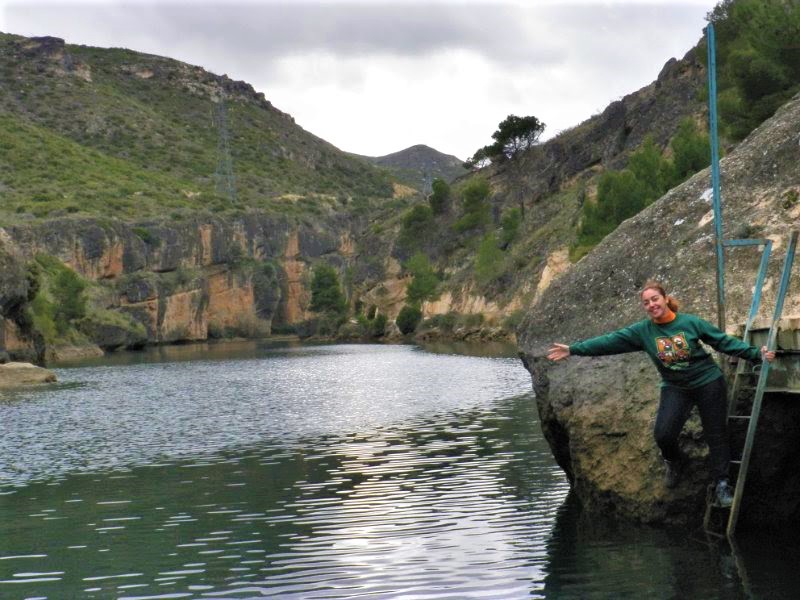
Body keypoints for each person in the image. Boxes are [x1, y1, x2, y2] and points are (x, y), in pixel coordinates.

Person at [547, 280, 775, 508]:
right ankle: (674, 461)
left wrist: (756, 354)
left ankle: (722, 484)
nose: (651, 305)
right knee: (663, 434)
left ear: (665, 299)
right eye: (646, 302)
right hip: (675, 387)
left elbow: (722, 341)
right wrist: (573, 349)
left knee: (716, 434)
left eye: (654, 299)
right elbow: (608, 342)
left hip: (708, 382)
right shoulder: (642, 331)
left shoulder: (690, 323)